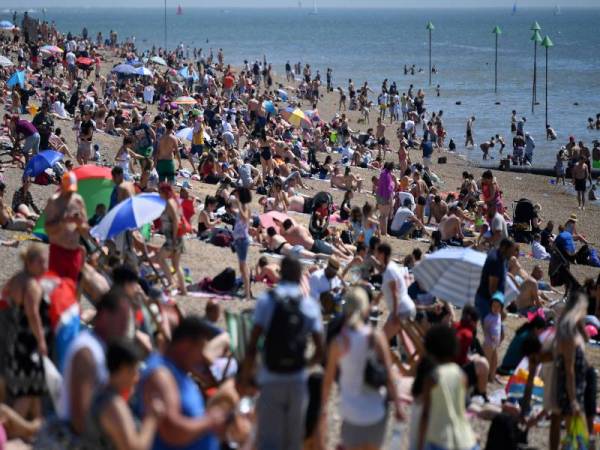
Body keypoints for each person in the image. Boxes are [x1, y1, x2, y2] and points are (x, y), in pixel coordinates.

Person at [242, 256, 325, 450]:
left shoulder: (267, 300)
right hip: (297, 378)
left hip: (271, 376)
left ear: (281, 274)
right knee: (293, 441)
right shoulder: (309, 306)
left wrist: (248, 374)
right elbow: (320, 350)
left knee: (269, 440)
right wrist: (306, 365)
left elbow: (253, 344)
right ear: (298, 276)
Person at [320, 288, 406, 450]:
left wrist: (322, 408)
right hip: (376, 412)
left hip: (351, 413)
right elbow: (389, 376)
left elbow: (328, 381)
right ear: (366, 309)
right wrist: (399, 408)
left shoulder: (338, 342)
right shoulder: (375, 337)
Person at [138, 316, 228, 450]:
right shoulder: (161, 374)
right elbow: (172, 430)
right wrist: (210, 421)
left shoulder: (178, 371)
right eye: (200, 349)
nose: (203, 357)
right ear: (186, 345)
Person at [57, 289, 131, 436]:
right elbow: (79, 418)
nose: (125, 328)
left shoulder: (100, 347)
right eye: (121, 320)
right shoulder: (87, 352)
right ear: (104, 315)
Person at [83, 339, 164, 450]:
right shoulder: (113, 405)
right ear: (123, 368)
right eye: (134, 371)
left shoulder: (99, 393)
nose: (136, 379)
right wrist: (152, 417)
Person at [1, 243, 50, 420]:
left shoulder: (16, 278)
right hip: (27, 341)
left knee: (30, 389)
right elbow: (33, 315)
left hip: (12, 336)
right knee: (29, 390)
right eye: (41, 262)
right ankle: (14, 431)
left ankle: (34, 426)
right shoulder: (32, 286)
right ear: (29, 262)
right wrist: (42, 341)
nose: (45, 266)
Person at [417, 325, 478, 450]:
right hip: (466, 440)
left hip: (441, 441)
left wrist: (419, 445)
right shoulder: (461, 374)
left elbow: (425, 415)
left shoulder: (432, 377)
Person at [43, 172, 88, 282]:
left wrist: (79, 223)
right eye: (68, 189)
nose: (70, 193)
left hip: (74, 251)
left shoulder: (78, 201)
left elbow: (86, 231)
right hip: (58, 251)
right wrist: (63, 222)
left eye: (72, 190)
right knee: (55, 287)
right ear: (62, 186)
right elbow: (48, 229)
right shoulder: (54, 201)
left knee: (71, 288)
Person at [475, 238, 515, 320]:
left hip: (490, 301)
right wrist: (499, 308)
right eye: (510, 251)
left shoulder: (501, 256)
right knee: (494, 331)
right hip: (486, 301)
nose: (512, 254)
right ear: (504, 248)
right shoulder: (495, 261)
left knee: (497, 331)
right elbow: (492, 288)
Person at [232, 187, 252, 301]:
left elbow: (245, 219)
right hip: (240, 239)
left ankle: (247, 294)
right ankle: (247, 291)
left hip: (242, 240)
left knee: (243, 268)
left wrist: (239, 206)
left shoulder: (245, 207)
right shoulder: (243, 207)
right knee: (242, 267)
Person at [482, 291, 504, 382]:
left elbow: (499, 327)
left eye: (498, 306)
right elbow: (485, 328)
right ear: (490, 306)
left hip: (495, 344)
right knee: (487, 361)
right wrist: (491, 336)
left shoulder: (498, 316)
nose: (495, 308)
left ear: (501, 308)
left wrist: (500, 338)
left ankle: (491, 377)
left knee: (494, 361)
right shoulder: (488, 317)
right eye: (493, 306)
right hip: (488, 343)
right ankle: (484, 377)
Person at [376, 162, 396, 236]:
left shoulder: (382, 173)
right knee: (385, 216)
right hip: (385, 196)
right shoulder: (388, 176)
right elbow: (389, 189)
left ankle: (380, 230)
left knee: (381, 215)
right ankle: (384, 232)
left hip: (379, 195)